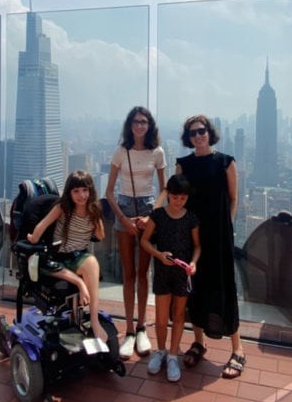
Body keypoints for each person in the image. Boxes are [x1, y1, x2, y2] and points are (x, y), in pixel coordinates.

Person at [171, 114, 246, 379]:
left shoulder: (226, 162)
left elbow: (233, 198)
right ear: (188, 138)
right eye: (192, 133)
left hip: (219, 236)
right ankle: (199, 341)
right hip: (192, 235)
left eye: (201, 131)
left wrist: (228, 227)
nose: (198, 136)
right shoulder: (183, 165)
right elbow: (175, 197)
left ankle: (238, 349)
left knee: (224, 286)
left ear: (209, 132)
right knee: (196, 287)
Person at [105, 106, 166, 359]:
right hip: (125, 208)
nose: (140, 126)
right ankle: (129, 330)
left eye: (144, 122)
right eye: (136, 122)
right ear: (130, 125)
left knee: (144, 273)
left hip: (148, 209)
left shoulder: (157, 152)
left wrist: (151, 215)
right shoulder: (121, 151)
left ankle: (142, 327)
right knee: (128, 273)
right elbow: (109, 192)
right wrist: (123, 219)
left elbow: (164, 189)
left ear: (150, 125)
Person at [27, 170, 108, 345]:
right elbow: (42, 226)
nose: (81, 195)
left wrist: (96, 216)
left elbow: (101, 236)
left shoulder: (93, 209)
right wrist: (33, 239)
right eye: (76, 191)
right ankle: (80, 284)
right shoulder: (62, 208)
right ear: (69, 193)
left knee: (92, 262)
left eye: (85, 190)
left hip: (78, 256)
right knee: (51, 266)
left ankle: (94, 320)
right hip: (57, 258)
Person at [140, 174, 200, 382]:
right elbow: (145, 241)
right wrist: (158, 255)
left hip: (182, 274)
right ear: (168, 196)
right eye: (175, 197)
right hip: (163, 271)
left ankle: (173, 355)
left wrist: (193, 263)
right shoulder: (158, 215)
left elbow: (198, 245)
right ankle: (161, 351)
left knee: (180, 315)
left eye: (183, 198)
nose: (179, 201)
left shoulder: (191, 217)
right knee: (161, 316)